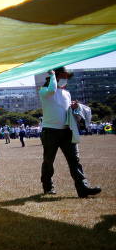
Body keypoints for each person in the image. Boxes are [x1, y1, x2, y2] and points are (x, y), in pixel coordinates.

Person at [39, 67, 101, 198]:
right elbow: (52, 90)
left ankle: (82, 187)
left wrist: (73, 108)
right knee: (48, 161)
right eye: (63, 76)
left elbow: (66, 111)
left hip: (67, 131)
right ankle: (48, 186)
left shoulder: (67, 93)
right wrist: (52, 75)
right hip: (50, 131)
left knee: (74, 160)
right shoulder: (44, 90)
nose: (65, 79)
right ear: (54, 77)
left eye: (67, 77)